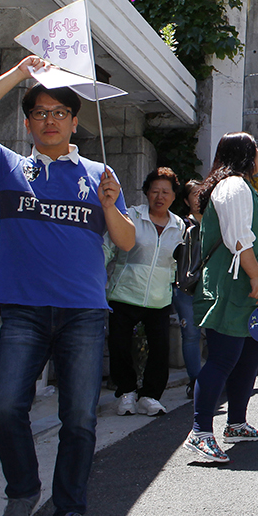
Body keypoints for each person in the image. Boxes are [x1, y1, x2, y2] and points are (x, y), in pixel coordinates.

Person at [0, 55, 134, 516]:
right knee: (6, 405)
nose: (49, 119)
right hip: (24, 310)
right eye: (39, 112)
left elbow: (125, 240)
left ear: (75, 122)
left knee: (80, 418)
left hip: (83, 313)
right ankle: (23, 491)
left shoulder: (99, 174)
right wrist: (18, 75)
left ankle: (68, 515)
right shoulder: (12, 167)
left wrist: (107, 205)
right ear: (28, 122)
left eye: (59, 112)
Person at [184, 132, 258, 464]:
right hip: (233, 289)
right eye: (256, 149)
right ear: (243, 154)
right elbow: (238, 240)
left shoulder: (243, 188)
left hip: (248, 290)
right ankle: (199, 432)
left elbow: (247, 237)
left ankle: (236, 423)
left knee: (250, 356)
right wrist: (256, 276)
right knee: (223, 360)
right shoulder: (234, 187)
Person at [106, 167, 187, 418]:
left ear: (174, 196)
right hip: (125, 292)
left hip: (159, 297)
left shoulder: (179, 226)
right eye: (155, 191)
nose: (159, 197)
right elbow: (109, 247)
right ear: (146, 193)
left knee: (159, 348)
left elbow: (179, 263)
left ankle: (150, 396)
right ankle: (127, 392)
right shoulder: (130, 216)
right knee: (120, 346)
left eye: (166, 192)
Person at [171, 180, 205, 398]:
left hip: (211, 287)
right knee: (191, 335)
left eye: (203, 193)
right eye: (194, 194)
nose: (199, 198)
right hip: (185, 288)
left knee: (215, 334)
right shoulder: (181, 225)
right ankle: (195, 381)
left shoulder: (217, 223)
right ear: (185, 200)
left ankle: (214, 378)